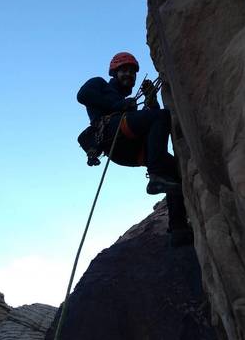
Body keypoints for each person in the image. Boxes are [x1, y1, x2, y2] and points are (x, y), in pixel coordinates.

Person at [77, 52, 193, 246]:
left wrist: (151, 99)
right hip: (112, 132)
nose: (129, 75)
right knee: (160, 117)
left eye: (132, 72)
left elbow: (151, 128)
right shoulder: (99, 84)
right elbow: (83, 95)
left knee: (174, 170)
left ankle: (178, 228)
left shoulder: (129, 106)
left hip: (129, 149)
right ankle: (156, 175)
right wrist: (118, 104)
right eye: (124, 70)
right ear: (114, 72)